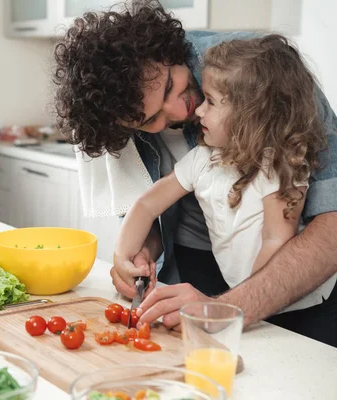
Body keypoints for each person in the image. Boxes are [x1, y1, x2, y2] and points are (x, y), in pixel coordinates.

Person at [53, 0, 337, 347]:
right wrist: (134, 254)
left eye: (172, 85)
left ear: (167, 52)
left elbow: (330, 225)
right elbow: (147, 205)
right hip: (194, 266)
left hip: (294, 278)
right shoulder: (128, 110)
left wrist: (232, 305)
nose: (180, 109)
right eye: (149, 120)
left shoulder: (262, 76)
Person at [115, 34, 325, 315]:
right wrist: (123, 258)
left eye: (211, 102)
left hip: (290, 304)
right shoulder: (203, 158)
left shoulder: (281, 165)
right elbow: (147, 205)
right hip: (243, 297)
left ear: (250, 115)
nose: (198, 109)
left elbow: (276, 240)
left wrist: (241, 305)